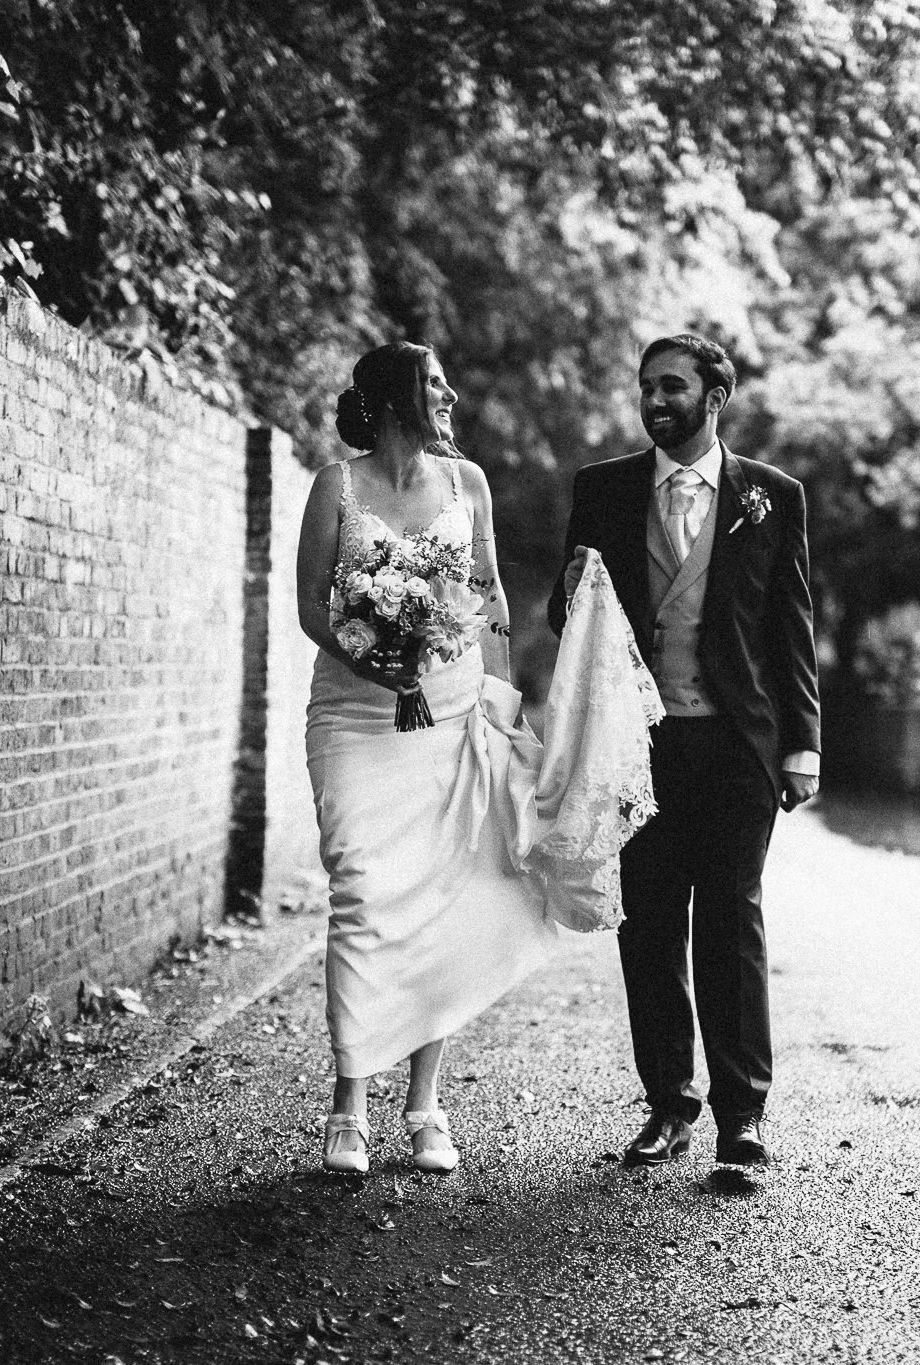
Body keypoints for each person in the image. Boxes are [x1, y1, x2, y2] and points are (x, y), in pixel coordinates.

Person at [547, 332, 821, 1168]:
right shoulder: (602, 490)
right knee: (652, 922)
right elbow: (571, 619)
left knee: (730, 920)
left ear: (716, 395)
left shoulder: (772, 495)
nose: (654, 399)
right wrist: (565, 598)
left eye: (672, 386)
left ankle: (742, 1115)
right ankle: (669, 1104)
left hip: (739, 742)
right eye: (645, 387)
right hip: (638, 745)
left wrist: (803, 744)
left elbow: (791, 627)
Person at [296, 341, 560, 1175]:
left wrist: (504, 707)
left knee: (442, 894)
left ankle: (425, 1105)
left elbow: (488, 600)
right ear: (395, 396)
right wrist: (369, 655)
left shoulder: (467, 482)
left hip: (450, 711)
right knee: (363, 893)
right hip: (353, 713)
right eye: (434, 381)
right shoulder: (336, 485)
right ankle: (348, 1106)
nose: (449, 392)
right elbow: (310, 604)